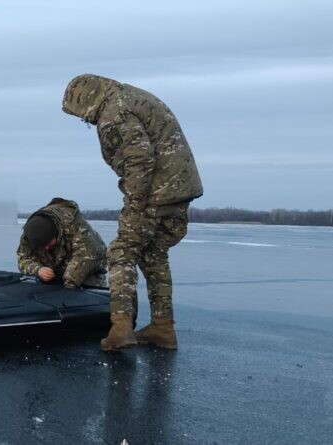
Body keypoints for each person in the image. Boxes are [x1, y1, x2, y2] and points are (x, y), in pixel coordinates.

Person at [61, 74, 203, 351]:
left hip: (154, 193)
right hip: (179, 189)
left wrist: (135, 204)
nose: (84, 120)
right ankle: (163, 328)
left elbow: (139, 159)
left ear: (86, 101)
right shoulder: (131, 98)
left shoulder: (113, 113)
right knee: (154, 255)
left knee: (121, 252)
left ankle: (121, 327)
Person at [17, 198, 107, 289]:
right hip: (54, 271)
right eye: (42, 246)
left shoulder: (74, 224)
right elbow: (23, 259)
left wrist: (69, 285)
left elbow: (86, 255)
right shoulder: (29, 234)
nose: (46, 248)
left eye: (48, 243)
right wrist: (38, 270)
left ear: (56, 233)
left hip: (88, 270)